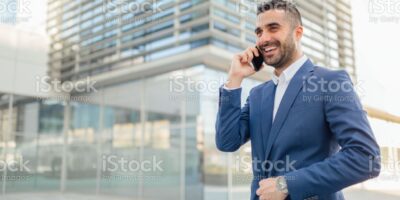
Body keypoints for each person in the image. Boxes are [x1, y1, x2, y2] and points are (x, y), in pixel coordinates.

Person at [215, 0, 381, 199]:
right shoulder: (258, 94)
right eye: (259, 32)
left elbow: (365, 157)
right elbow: (226, 142)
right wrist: (234, 79)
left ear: (298, 32)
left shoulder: (330, 82)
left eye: (273, 28)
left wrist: (286, 184)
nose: (263, 39)